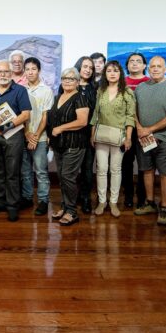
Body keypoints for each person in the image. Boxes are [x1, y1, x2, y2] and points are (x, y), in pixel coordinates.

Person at [134, 56, 166, 225]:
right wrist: (139, 128)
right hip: (144, 138)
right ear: (148, 69)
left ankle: (164, 207)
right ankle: (150, 203)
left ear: (165, 69)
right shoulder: (140, 87)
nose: (155, 69)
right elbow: (133, 111)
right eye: (152, 66)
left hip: (165, 138)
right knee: (147, 170)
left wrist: (149, 130)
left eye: (159, 66)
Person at [0, 60, 31, 222]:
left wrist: (6, 126)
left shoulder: (20, 90)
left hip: (14, 136)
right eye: (0, 72)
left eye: (6, 72)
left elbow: (25, 114)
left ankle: (12, 206)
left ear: (11, 73)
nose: (3, 74)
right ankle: (1, 202)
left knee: (12, 173)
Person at [90, 61, 135, 218]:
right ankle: (102, 201)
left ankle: (113, 202)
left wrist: (128, 138)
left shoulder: (127, 92)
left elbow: (130, 117)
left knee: (115, 170)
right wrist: (92, 134)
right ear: (105, 74)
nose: (112, 73)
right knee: (101, 169)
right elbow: (95, 114)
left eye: (115, 70)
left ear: (120, 73)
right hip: (101, 135)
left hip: (119, 137)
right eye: (109, 70)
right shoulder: (100, 90)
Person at [48, 67, 89, 226]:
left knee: (67, 176)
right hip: (59, 144)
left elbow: (82, 121)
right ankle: (65, 207)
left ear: (77, 82)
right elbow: (53, 119)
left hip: (74, 143)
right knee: (62, 177)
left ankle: (72, 212)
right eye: (65, 78)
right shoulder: (58, 97)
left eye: (71, 79)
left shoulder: (80, 98)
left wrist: (61, 128)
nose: (67, 81)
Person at [21, 57, 53, 216]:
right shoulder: (21, 90)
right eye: (27, 69)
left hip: (40, 137)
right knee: (25, 171)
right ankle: (27, 198)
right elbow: (20, 115)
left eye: (33, 69)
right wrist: (27, 133)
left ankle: (43, 200)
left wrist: (35, 136)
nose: (30, 72)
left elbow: (46, 116)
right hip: (23, 136)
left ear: (39, 70)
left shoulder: (46, 90)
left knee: (41, 171)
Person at [121, 52, 149, 209]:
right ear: (127, 65)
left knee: (145, 164)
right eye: (131, 61)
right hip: (126, 130)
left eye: (138, 61)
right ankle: (128, 196)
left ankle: (142, 197)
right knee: (126, 164)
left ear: (144, 65)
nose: (135, 63)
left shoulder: (150, 83)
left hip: (146, 130)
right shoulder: (122, 83)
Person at [74, 56, 98, 214]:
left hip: (89, 132)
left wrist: (93, 133)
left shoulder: (95, 88)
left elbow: (96, 112)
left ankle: (85, 198)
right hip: (72, 133)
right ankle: (73, 196)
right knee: (72, 168)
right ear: (78, 67)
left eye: (91, 67)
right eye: (85, 66)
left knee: (87, 168)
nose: (88, 70)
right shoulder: (69, 84)